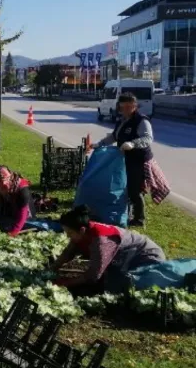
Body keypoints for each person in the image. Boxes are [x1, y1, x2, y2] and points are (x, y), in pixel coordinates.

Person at [50, 205, 165, 297]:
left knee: (119, 289)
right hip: (126, 257)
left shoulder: (101, 241)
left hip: (147, 258)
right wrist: (51, 270)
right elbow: (68, 252)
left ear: (82, 230)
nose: (68, 236)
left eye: (69, 233)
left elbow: (93, 275)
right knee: (109, 278)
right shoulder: (82, 232)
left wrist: (64, 283)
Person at [92, 93, 170, 227]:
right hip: (125, 159)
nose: (128, 109)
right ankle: (127, 213)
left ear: (135, 106)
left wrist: (133, 144)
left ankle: (139, 219)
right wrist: (100, 144)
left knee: (135, 190)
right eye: (124, 106)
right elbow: (114, 137)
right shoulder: (122, 120)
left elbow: (147, 138)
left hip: (139, 160)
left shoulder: (142, 121)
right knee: (124, 187)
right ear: (120, 107)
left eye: (131, 106)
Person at [0, 165, 36, 237]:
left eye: (7, 184)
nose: (5, 187)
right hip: (5, 207)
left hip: (24, 212)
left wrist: (13, 233)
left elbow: (23, 214)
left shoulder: (22, 189)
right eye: (2, 187)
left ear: (10, 180)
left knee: (23, 223)